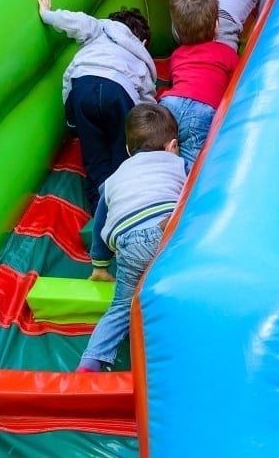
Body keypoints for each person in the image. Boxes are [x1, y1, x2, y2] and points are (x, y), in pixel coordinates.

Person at [77, 103, 187, 372]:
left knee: (121, 307)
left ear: (128, 151)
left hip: (128, 242)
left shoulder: (114, 179)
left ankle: (90, 362)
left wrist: (100, 266)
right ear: (172, 145)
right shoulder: (179, 164)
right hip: (165, 230)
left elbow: (100, 223)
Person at [37, 0, 157, 211]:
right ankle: (126, 203)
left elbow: (75, 21)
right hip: (118, 92)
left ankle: (101, 212)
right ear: (144, 42)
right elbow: (147, 101)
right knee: (124, 153)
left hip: (83, 86)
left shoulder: (99, 29)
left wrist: (47, 15)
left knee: (94, 159)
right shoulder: (140, 56)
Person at [159, 0, 239, 171]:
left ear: (177, 31)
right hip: (202, 109)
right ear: (217, 25)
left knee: (164, 154)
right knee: (194, 166)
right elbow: (236, 85)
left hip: (170, 104)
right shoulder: (227, 53)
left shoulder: (177, 55)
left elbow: (177, 80)